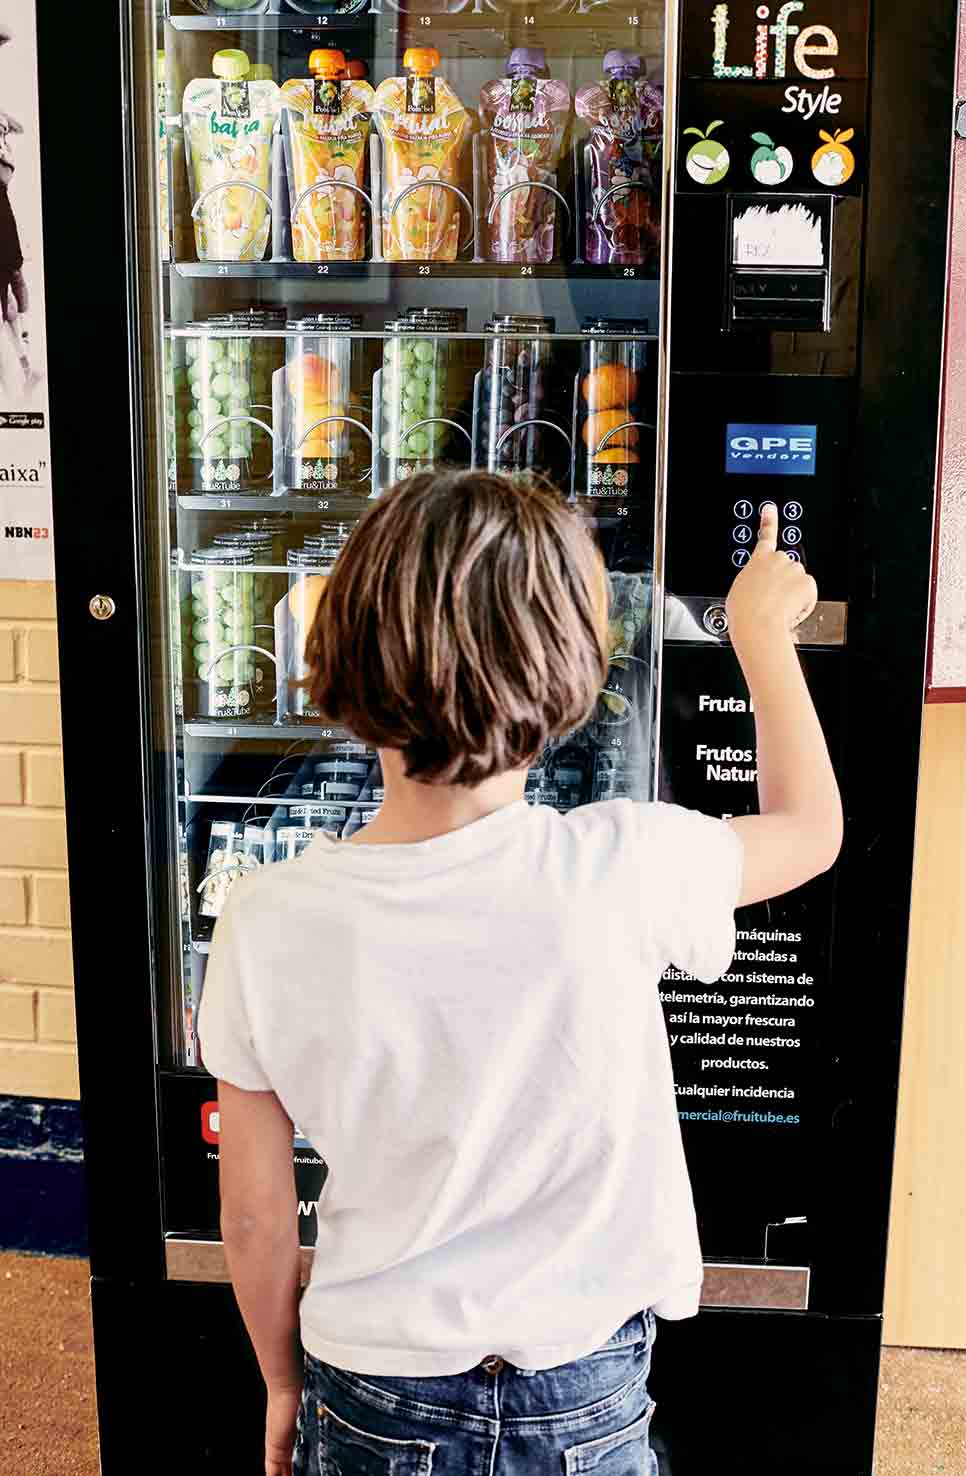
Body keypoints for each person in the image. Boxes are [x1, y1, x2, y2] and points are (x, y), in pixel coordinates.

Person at [197, 471, 842, 1476]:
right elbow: (810, 829)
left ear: (344, 652)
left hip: (373, 1381)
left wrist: (281, 1380)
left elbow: (253, 1211)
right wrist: (760, 636)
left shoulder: (265, 917)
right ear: (570, 670)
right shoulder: (624, 862)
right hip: (583, 1385)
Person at [0, 108, 40, 396]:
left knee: (12, 305)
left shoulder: (4, 149)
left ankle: (25, 368)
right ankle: (16, 378)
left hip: (6, 228)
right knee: (8, 306)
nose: (3, 132)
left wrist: (2, 119)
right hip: (2, 233)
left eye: (4, 130)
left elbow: (19, 127)